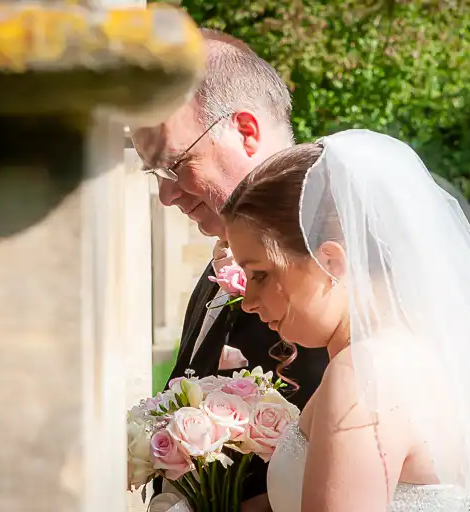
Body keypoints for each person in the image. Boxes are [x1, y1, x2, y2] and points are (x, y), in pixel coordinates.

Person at [221, 129, 470, 511]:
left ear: (330, 262)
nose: (248, 301)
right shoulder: (420, 352)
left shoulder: (364, 378)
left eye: (261, 274)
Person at [130, 29, 329, 510]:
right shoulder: (225, 250)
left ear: (245, 130)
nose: (167, 194)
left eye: (175, 163)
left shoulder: (330, 259)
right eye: (154, 172)